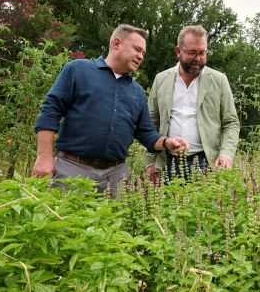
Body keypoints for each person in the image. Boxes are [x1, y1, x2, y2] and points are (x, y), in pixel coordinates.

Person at [32, 24, 188, 196]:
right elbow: (50, 111)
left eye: (143, 53)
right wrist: (44, 157)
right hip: (72, 169)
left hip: (116, 176)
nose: (141, 56)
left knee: (115, 222)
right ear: (116, 43)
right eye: (137, 49)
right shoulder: (78, 70)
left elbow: (145, 133)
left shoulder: (137, 92)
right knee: (65, 221)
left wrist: (167, 142)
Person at [144, 25, 240, 181]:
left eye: (202, 53)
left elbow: (231, 123)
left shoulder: (219, 80)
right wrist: (150, 163)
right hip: (166, 162)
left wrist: (226, 154)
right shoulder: (161, 79)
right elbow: (150, 124)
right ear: (178, 51)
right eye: (192, 53)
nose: (198, 59)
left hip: (207, 163)